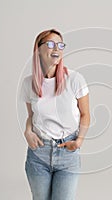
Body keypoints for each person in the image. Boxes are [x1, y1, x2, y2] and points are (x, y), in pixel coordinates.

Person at [19, 28, 90, 200]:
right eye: (50, 44)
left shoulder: (75, 79)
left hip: (67, 153)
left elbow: (85, 114)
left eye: (60, 45)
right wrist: (28, 132)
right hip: (38, 154)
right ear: (38, 49)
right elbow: (32, 116)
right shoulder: (29, 83)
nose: (56, 48)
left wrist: (79, 141)